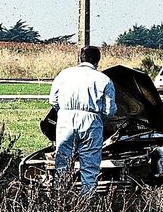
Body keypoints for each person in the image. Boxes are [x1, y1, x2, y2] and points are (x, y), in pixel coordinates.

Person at [49, 46, 117, 194]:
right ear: (98, 61)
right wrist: (98, 119)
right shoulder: (104, 79)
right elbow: (109, 110)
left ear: (80, 58)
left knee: (62, 163)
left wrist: (64, 112)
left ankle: (59, 201)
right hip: (91, 121)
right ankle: (86, 205)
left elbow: (53, 101)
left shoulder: (64, 74)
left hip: (65, 119)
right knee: (90, 167)